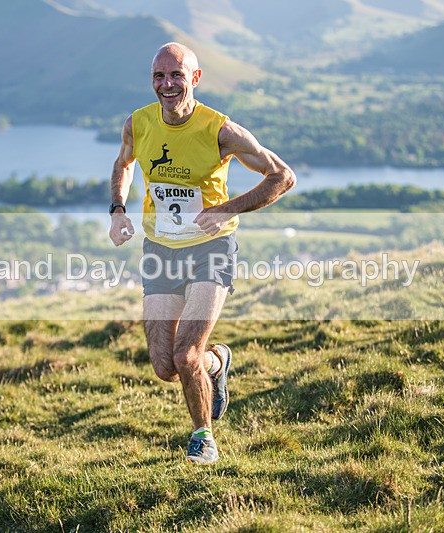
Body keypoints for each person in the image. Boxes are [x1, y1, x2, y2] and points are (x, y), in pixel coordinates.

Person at [108, 42, 295, 464]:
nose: (167, 84)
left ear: (195, 78)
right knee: (163, 365)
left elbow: (283, 176)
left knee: (184, 353)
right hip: (161, 249)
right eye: (159, 76)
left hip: (211, 248)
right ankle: (216, 362)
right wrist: (118, 209)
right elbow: (123, 164)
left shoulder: (220, 130)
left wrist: (227, 209)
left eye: (176, 75)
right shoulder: (138, 124)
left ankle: (203, 437)